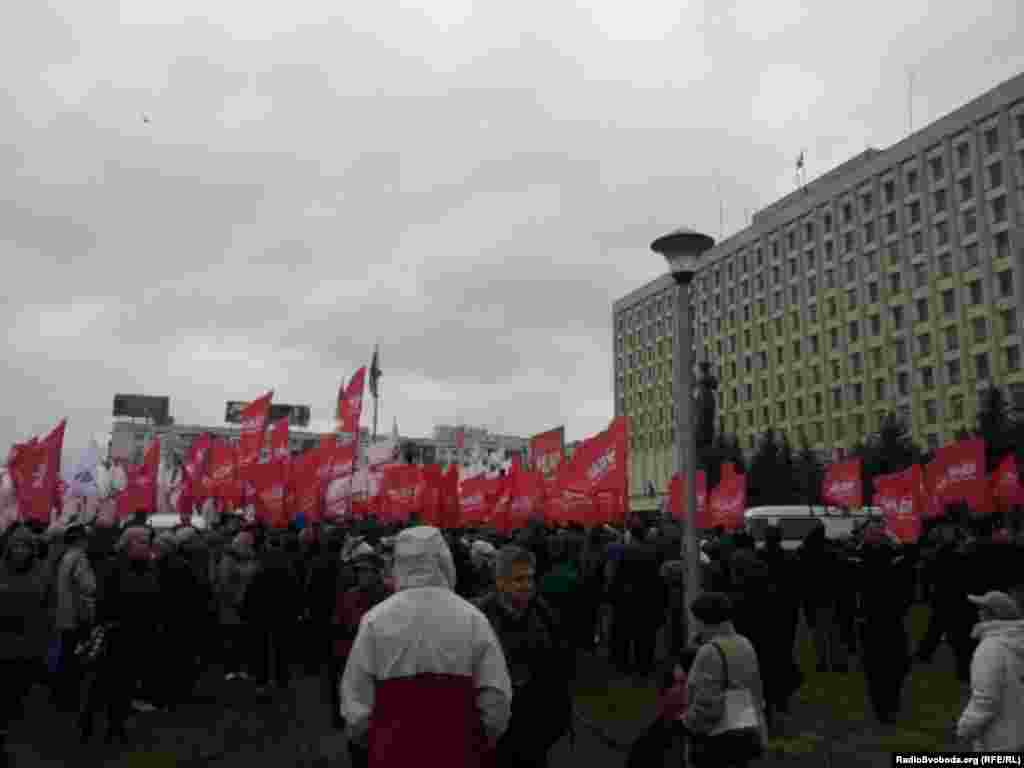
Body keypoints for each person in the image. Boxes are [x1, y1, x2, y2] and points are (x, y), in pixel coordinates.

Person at [341, 525, 512, 768]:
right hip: (459, 753)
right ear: (444, 560)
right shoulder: (473, 619)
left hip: (392, 754)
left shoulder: (374, 621)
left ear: (398, 563)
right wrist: (480, 740)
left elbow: (356, 700)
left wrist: (375, 741)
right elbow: (496, 698)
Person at [474, 545, 575, 768]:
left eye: (530, 578)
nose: (528, 585)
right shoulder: (479, 619)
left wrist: (557, 720)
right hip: (495, 729)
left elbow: (559, 668)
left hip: (536, 728)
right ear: (500, 582)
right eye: (519, 579)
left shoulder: (544, 613)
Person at [682, 592, 767, 768]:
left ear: (703, 620)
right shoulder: (745, 644)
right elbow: (756, 692)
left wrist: (685, 724)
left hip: (716, 739)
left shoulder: (709, 651)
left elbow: (706, 704)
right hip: (744, 731)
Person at [0, 524, 50, 765]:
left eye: (25, 546)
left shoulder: (42, 572)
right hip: (3, 643)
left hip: (29, 644)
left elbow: (48, 607)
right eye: (16, 546)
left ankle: (11, 731)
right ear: (9, 548)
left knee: (19, 692)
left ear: (32, 549)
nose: (20, 550)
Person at [956, 591, 1024, 751]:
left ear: (991, 615)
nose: (978, 613)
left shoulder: (990, 649)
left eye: (982, 609)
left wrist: (965, 729)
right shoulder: (1018, 642)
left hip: (999, 741)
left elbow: (986, 699)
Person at [52, 522, 96, 715]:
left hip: (64, 614)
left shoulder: (64, 556)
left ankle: (61, 697)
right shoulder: (79, 558)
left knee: (66, 657)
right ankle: (71, 700)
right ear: (80, 540)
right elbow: (88, 587)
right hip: (77, 616)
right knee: (76, 659)